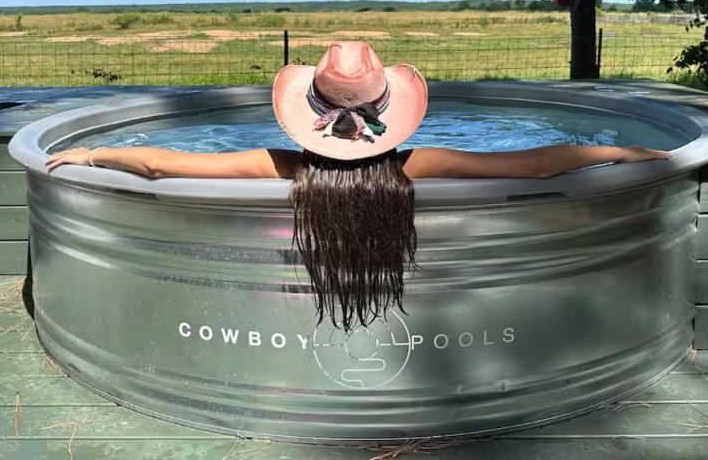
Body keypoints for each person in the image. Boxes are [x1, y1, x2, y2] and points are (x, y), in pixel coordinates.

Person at [46, 41, 670, 331]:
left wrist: (93, 151)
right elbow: (538, 165)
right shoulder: (414, 167)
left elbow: (163, 166)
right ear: (387, 108)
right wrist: (627, 151)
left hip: (300, 306)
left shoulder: (286, 168)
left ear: (309, 111)